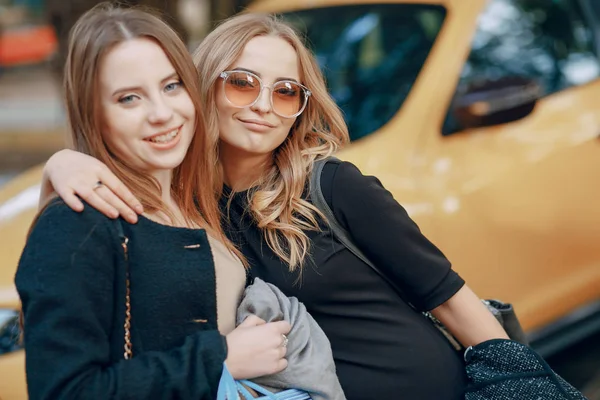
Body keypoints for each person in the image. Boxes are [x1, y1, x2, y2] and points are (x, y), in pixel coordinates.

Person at [41, 12, 510, 399]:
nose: (264, 105)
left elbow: (451, 301)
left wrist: (519, 384)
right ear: (203, 87)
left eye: (286, 91)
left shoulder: (333, 185)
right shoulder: (187, 204)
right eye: (243, 83)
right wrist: (61, 165)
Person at [15, 5, 291, 399]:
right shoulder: (81, 222)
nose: (162, 114)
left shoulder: (198, 196)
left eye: (171, 85)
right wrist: (220, 359)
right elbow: (65, 390)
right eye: (129, 98)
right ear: (94, 114)